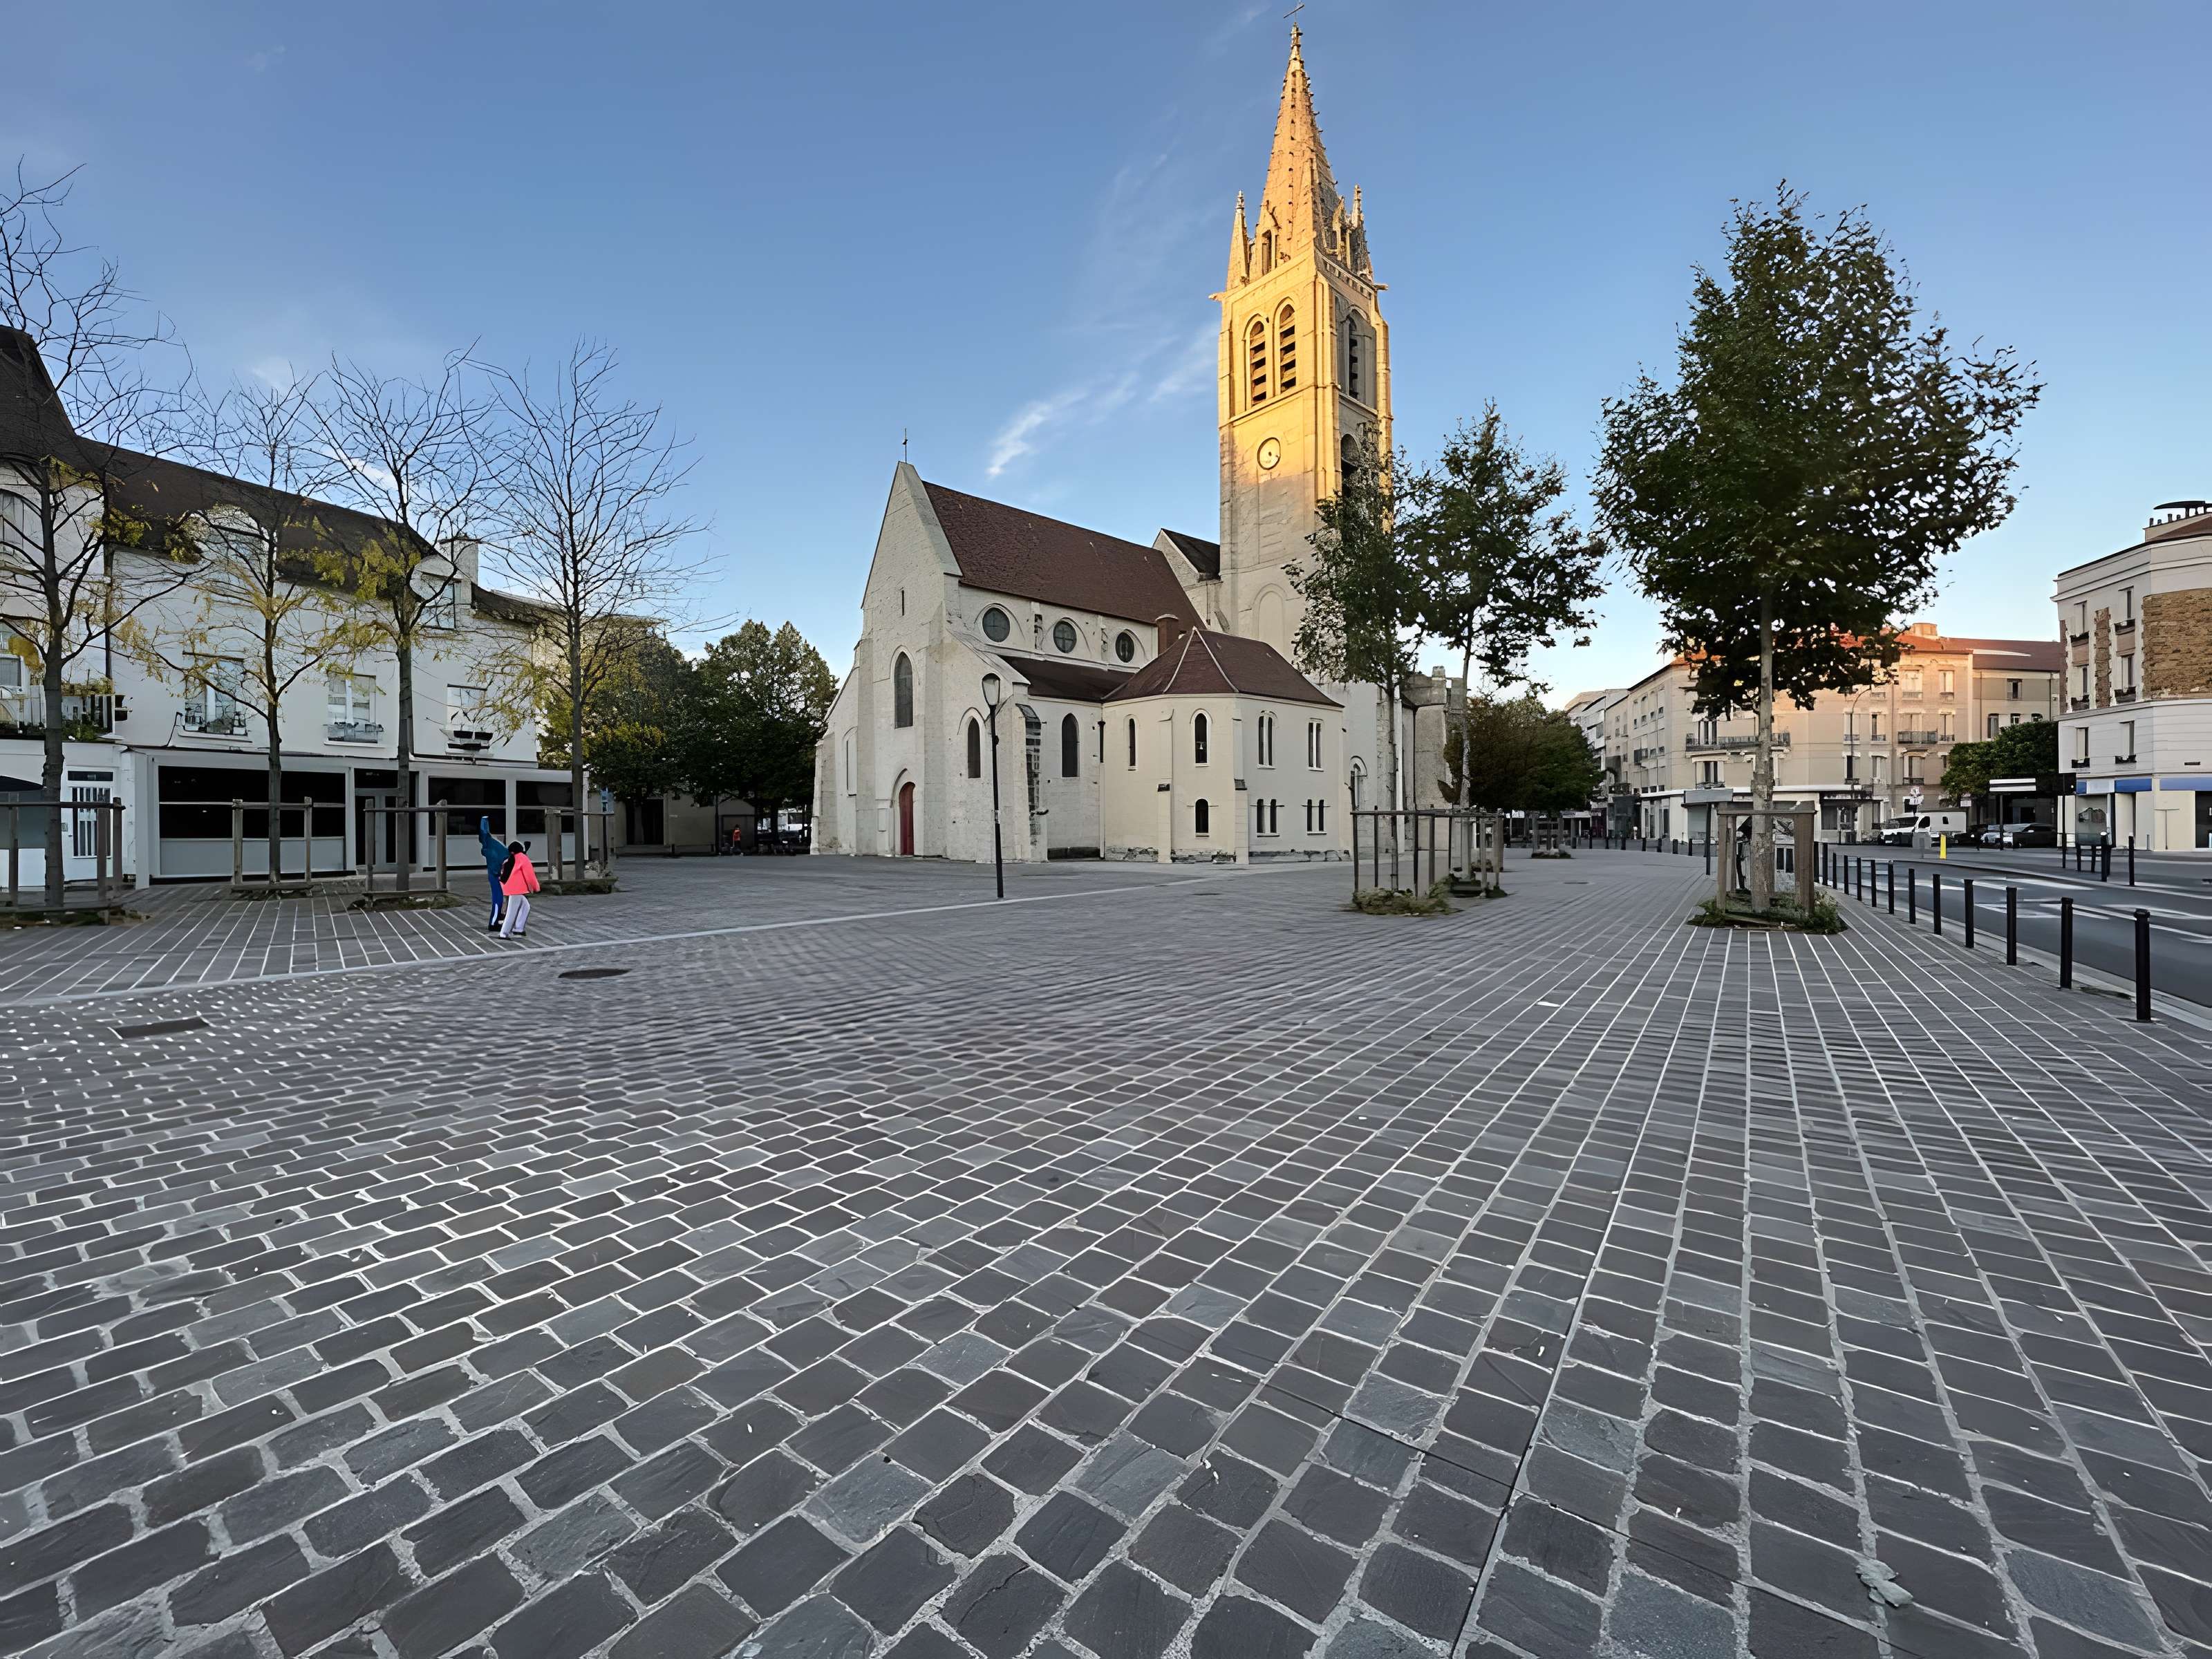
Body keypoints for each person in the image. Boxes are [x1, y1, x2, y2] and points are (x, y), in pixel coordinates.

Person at [497, 839, 541, 938]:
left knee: (526, 906)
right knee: (511, 912)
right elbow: (530, 875)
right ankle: (503, 934)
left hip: (511, 888)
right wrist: (535, 887)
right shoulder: (523, 858)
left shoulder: (510, 859)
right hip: (516, 890)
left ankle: (519, 929)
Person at [477, 816, 507, 932]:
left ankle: (496, 921)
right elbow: (484, 831)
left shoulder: (490, 846)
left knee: (498, 900)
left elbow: (484, 832)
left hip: (496, 874)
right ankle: (495, 922)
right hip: (498, 875)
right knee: (499, 900)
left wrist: (484, 820)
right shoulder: (492, 845)